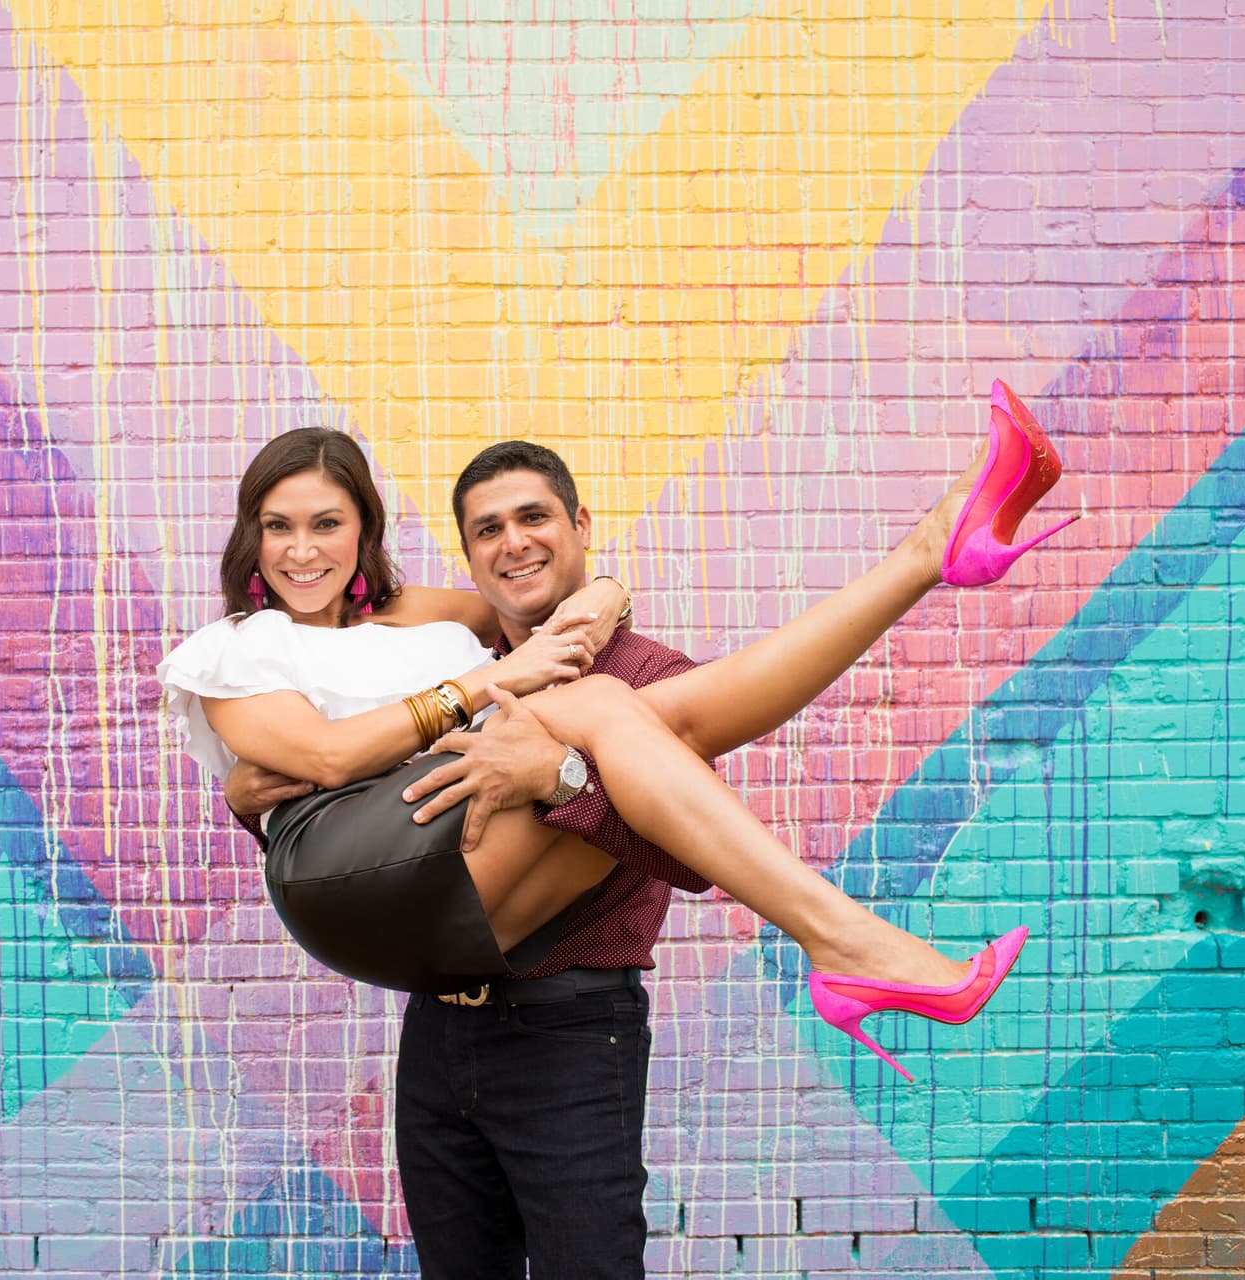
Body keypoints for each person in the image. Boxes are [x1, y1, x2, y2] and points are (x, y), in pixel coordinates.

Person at [158, 383, 1069, 1276]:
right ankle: (847, 925)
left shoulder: (545, 652)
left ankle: (925, 556)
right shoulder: (262, 647)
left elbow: (683, 850)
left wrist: (562, 747)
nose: (304, 548)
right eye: (280, 525)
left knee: (627, 702)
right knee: (605, 705)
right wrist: (502, 702)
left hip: (567, 1018)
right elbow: (326, 769)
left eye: (327, 523)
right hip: (428, 989)